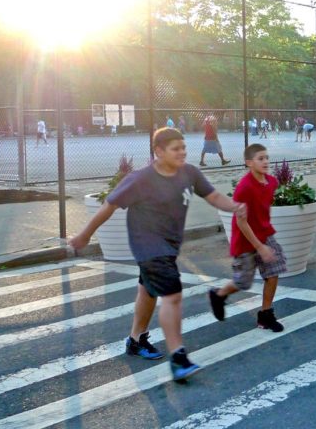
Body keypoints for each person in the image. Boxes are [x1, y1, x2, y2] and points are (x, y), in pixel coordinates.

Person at [67, 128, 247, 382]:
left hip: (169, 245)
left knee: (148, 290)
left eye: (183, 147)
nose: (182, 152)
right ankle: (179, 358)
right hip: (148, 247)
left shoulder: (189, 173)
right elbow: (109, 205)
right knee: (172, 294)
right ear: (158, 151)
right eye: (176, 149)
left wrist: (235, 206)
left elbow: (213, 195)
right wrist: (85, 235)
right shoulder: (141, 179)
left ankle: (135, 340)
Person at [208, 144, 286, 333]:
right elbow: (242, 224)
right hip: (245, 239)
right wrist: (259, 247)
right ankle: (219, 295)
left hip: (264, 234)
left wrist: (264, 239)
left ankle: (266, 314)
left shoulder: (272, 182)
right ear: (249, 163)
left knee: (273, 271)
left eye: (267, 157)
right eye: (260, 158)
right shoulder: (244, 188)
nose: (266, 161)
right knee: (244, 281)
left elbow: (264, 206)